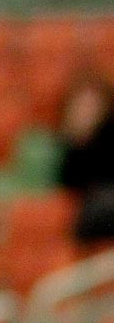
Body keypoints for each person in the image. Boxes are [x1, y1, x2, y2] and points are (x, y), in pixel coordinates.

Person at [56, 70, 114, 244]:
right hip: (91, 217)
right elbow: (67, 184)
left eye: (92, 104)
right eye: (81, 105)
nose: (86, 111)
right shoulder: (64, 145)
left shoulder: (108, 137)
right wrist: (78, 141)